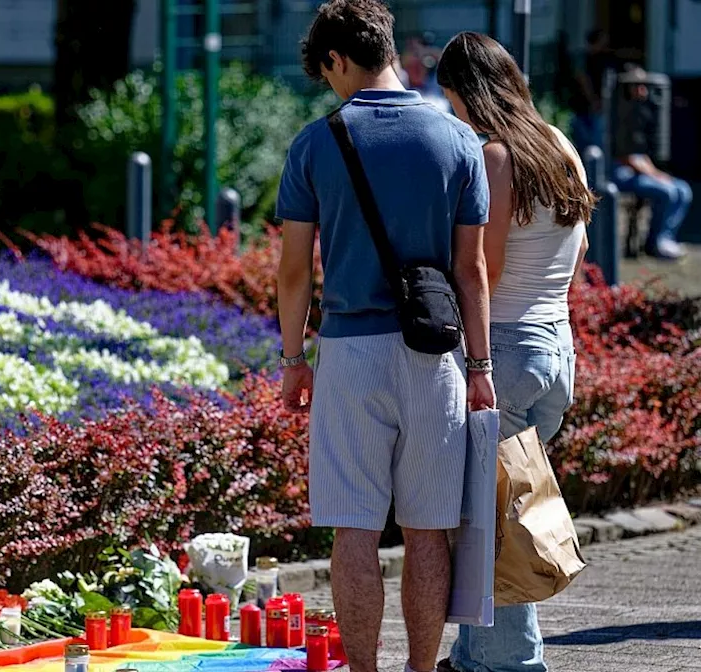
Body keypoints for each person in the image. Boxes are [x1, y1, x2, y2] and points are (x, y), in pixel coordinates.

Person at [275, 3, 495, 672]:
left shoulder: (317, 144)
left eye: (326, 73)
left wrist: (292, 359)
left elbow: (292, 272)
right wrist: (480, 366)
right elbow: (472, 271)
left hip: (350, 352)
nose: (329, 86)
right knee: (430, 531)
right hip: (437, 356)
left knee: (355, 530)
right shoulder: (459, 140)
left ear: (338, 60)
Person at [434, 31, 594, 672]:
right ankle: (472, 657)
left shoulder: (496, 158)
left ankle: (512, 664)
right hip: (556, 347)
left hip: (506, 349)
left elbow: (485, 269)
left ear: (468, 93)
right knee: (500, 509)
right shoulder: (560, 145)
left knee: (498, 524)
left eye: (451, 99)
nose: (452, 113)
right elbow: (578, 253)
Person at [613, 75, 692, 260]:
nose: (644, 91)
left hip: (640, 173)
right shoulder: (618, 116)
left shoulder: (637, 114)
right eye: (639, 87)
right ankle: (656, 243)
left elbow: (641, 155)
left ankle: (666, 237)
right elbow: (627, 158)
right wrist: (656, 176)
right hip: (621, 175)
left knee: (683, 189)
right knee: (667, 192)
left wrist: (658, 174)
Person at [569, 28, 613, 155]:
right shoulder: (585, 59)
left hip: (589, 106)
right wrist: (594, 100)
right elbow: (583, 80)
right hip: (585, 107)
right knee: (590, 143)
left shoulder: (600, 59)